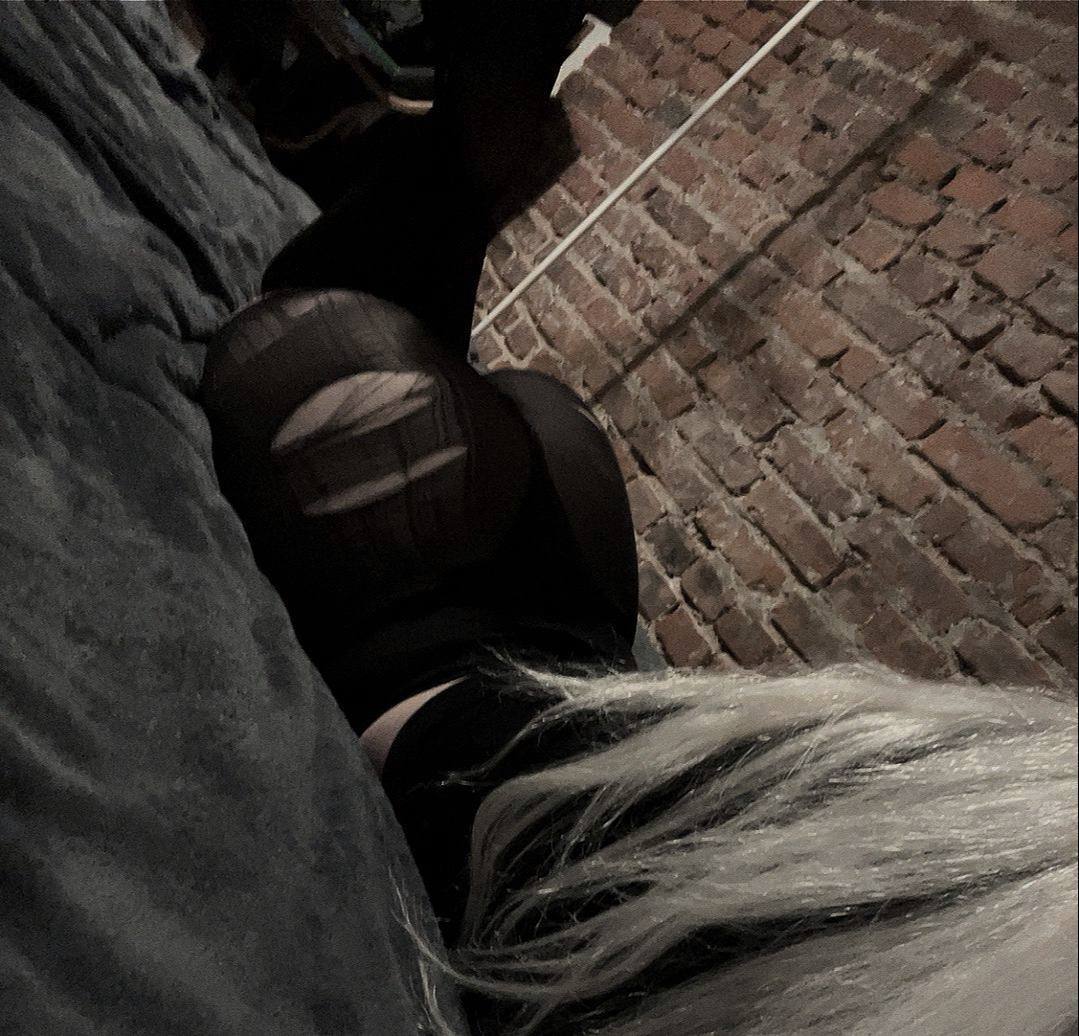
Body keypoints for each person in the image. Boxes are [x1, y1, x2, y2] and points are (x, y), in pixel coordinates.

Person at [200, 5, 1079, 1034]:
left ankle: (452, 154)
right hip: (557, 637)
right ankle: (446, 153)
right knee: (421, 370)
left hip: (503, 637)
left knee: (322, 334)